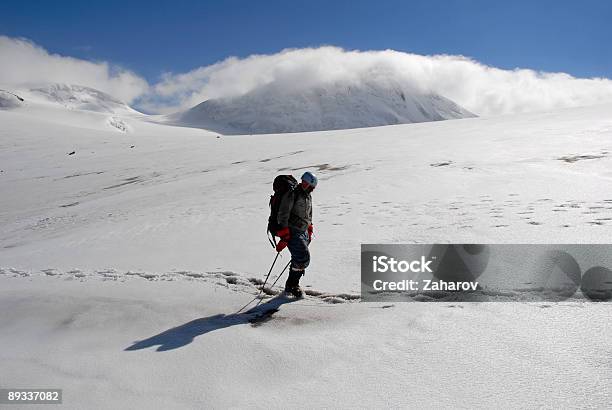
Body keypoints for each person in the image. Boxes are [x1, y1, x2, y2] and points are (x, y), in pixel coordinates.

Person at [275, 171, 317, 297]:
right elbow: (283, 213)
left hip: (303, 231)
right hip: (292, 231)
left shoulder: (307, 196)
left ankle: (291, 285)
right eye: (308, 185)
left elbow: (309, 213)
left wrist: (309, 227)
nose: (310, 188)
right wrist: (284, 233)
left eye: (311, 186)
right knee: (303, 258)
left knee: (299, 258)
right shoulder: (292, 194)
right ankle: (292, 285)